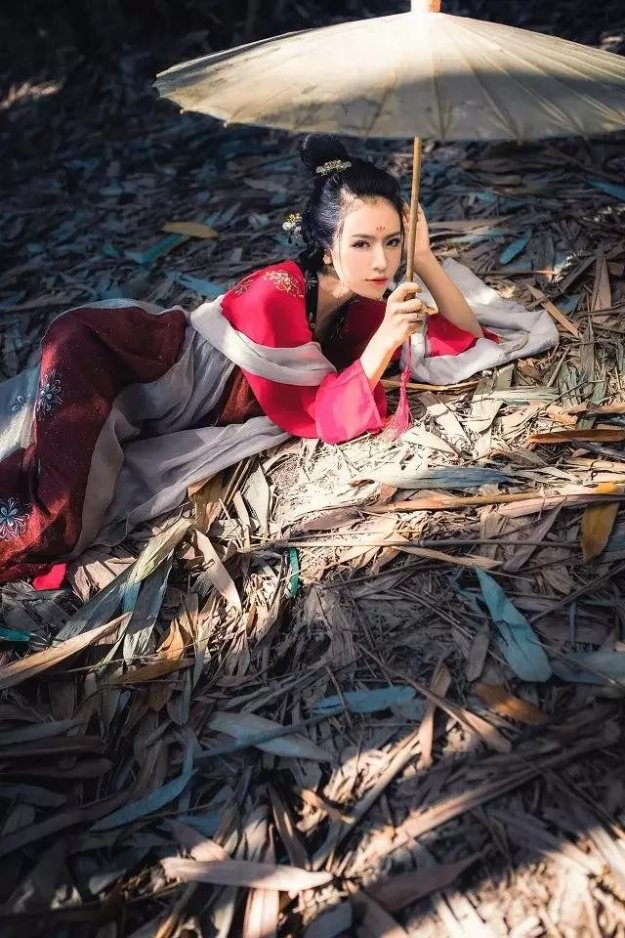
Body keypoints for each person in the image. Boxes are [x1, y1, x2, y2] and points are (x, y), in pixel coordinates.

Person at [0, 133, 487, 585]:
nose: (381, 262)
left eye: (393, 242)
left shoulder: (359, 306)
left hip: (154, 393)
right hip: (111, 360)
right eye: (361, 243)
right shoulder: (273, 295)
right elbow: (319, 414)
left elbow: (463, 337)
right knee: (51, 523)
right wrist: (382, 343)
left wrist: (424, 258)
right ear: (326, 248)